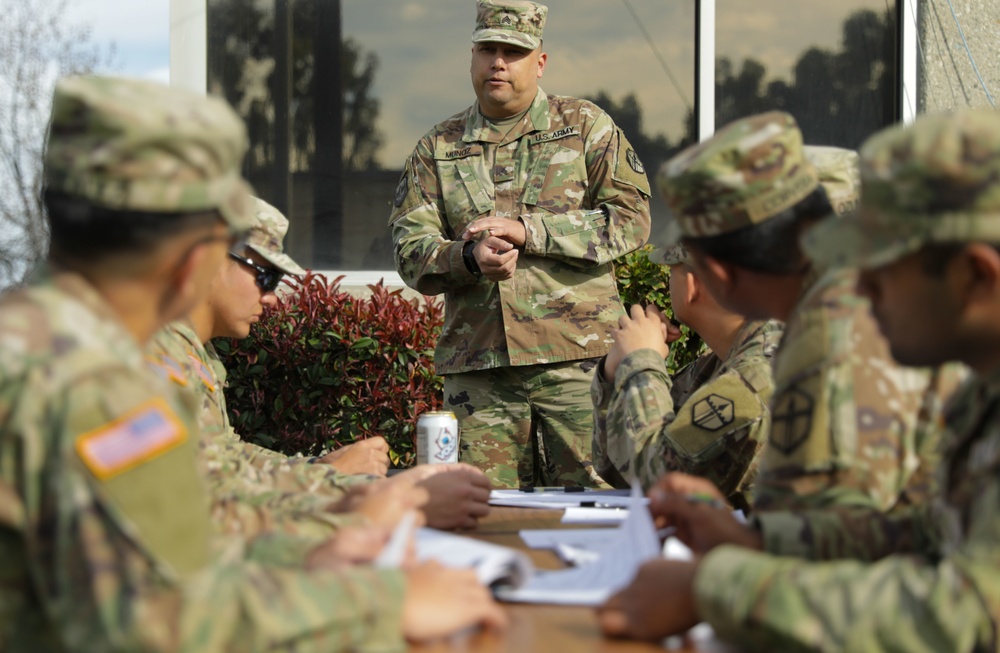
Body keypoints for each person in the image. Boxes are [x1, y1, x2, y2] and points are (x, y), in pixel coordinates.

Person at [0, 74, 505, 651]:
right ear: (197, 257)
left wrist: (315, 543)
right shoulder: (89, 382)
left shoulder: (43, 339)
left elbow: (172, 544)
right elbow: (156, 620)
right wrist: (387, 602)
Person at [599, 107, 1000, 652]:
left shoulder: (844, 346)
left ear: (976, 277)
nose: (858, 295)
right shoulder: (984, 381)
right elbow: (931, 534)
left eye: (876, 271)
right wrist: (754, 539)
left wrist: (712, 588)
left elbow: (970, 614)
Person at [630, 116, 958, 562]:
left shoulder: (830, 348)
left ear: (716, 275)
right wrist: (746, 541)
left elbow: (846, 577)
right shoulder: (861, 319)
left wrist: (710, 587)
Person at [390, 0, 652, 489]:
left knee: (600, 507)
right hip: (481, 373)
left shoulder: (585, 127)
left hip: (578, 364)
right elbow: (410, 250)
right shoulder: (438, 147)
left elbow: (632, 221)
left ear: (540, 61)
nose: (499, 63)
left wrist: (530, 231)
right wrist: (467, 257)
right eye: (488, 48)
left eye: (513, 51)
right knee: (478, 515)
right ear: (471, 56)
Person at [151, 197, 493, 532]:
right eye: (265, 276)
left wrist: (319, 466)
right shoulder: (154, 357)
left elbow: (225, 457)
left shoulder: (192, 351)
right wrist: (334, 482)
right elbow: (201, 492)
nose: (270, 297)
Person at [590, 240, 782, 511]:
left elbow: (665, 483)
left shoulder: (760, 373)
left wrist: (642, 361)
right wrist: (615, 372)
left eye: (671, 270)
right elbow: (623, 468)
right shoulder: (723, 362)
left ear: (692, 284)